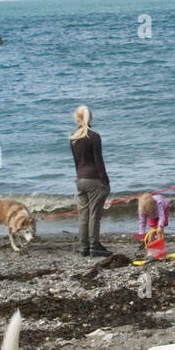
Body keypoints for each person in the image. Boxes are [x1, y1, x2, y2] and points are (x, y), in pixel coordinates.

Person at [69, 105, 111, 257]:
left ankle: (84, 247)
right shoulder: (94, 136)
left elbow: (76, 162)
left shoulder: (73, 137)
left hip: (80, 180)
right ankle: (95, 246)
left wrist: (79, 178)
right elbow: (99, 162)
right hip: (94, 180)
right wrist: (106, 181)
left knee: (83, 215)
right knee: (94, 215)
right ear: (90, 117)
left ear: (77, 118)